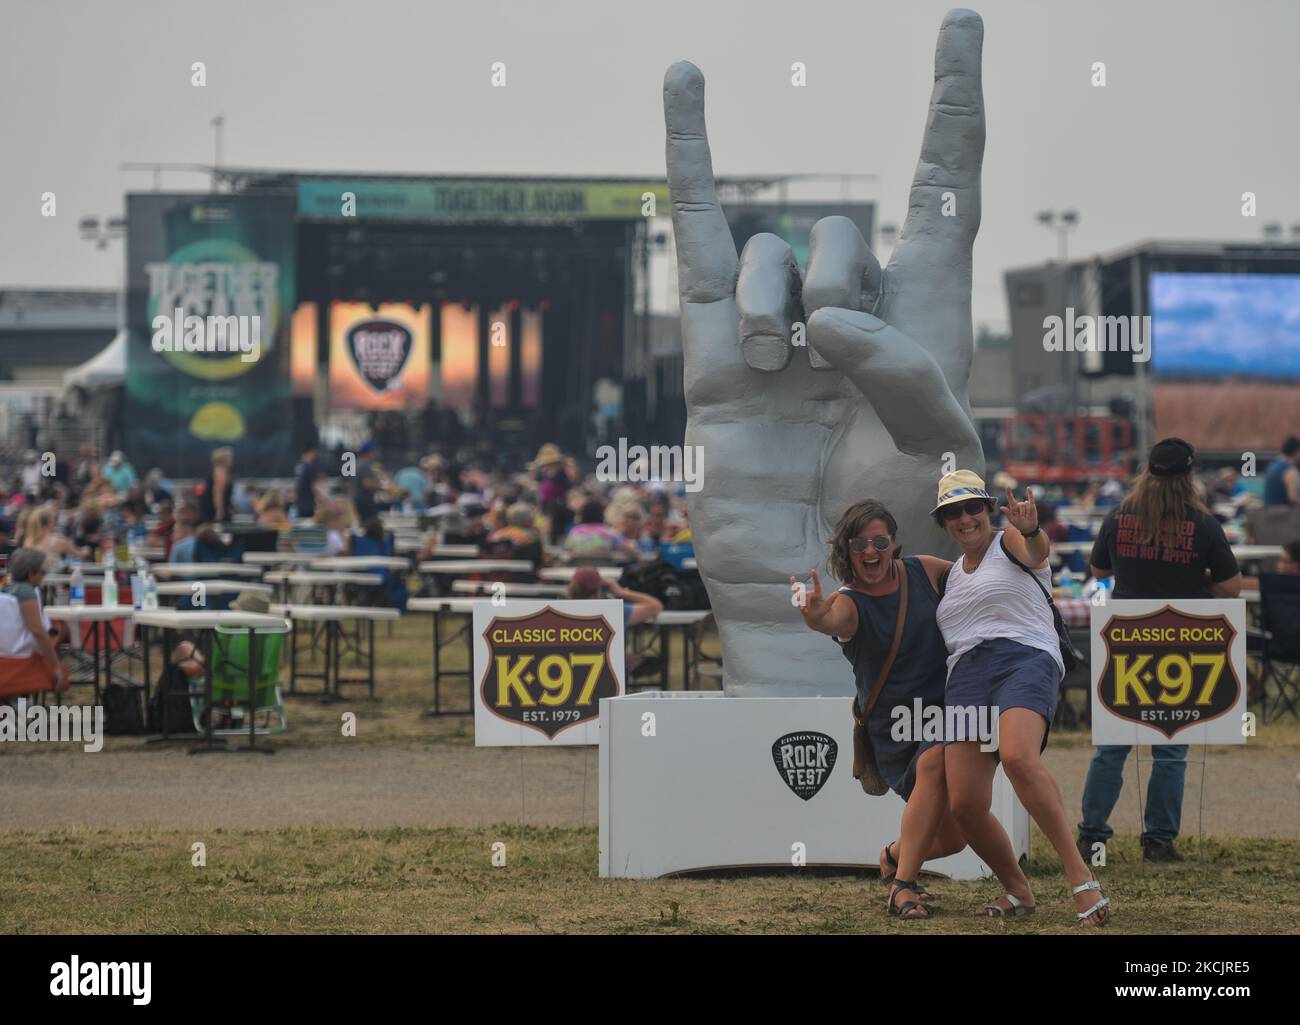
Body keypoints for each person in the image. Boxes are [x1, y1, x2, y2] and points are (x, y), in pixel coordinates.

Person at [932, 469, 1111, 925]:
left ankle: (1081, 879)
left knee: (1017, 757)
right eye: (954, 511)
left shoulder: (1009, 541)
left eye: (974, 506)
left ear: (989, 510)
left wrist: (1030, 527)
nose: (966, 517)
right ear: (944, 521)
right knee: (965, 805)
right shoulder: (951, 576)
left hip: (1024, 655)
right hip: (967, 673)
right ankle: (1017, 891)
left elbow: (1036, 549)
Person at [792, 498, 966, 920]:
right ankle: (903, 888)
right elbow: (832, 620)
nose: (870, 552)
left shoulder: (925, 570)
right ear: (847, 551)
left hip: (946, 710)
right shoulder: (849, 602)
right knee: (935, 760)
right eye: (859, 544)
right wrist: (815, 619)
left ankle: (891, 857)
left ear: (893, 544)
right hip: (897, 725)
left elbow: (974, 575)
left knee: (957, 837)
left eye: (879, 541)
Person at [1082, 438, 1243, 863]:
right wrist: (1198, 578)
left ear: (1147, 472)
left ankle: (1091, 836)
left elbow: (1098, 571)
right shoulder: (1203, 524)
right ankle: (1158, 842)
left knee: (1112, 747)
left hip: (1126, 640)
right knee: (1170, 749)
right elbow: (1231, 587)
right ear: (1189, 476)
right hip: (1181, 643)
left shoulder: (1118, 517)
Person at [0, 547, 67, 693]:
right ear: (31, 574)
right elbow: (37, 631)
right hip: (19, 657)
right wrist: (56, 666)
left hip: (3, 653)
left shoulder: (4, 587)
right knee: (58, 631)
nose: (44, 576)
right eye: (43, 572)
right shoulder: (27, 591)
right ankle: (24, 703)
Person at [564, 499, 640, 563]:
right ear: (602, 514)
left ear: (583, 514)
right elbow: (634, 552)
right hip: (605, 574)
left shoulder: (574, 532)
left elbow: (567, 550)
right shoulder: (610, 533)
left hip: (577, 572)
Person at [533, 443, 579, 545]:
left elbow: (569, 493)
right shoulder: (544, 475)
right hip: (544, 510)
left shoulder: (562, 475)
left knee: (555, 535)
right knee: (541, 529)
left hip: (558, 511)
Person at [197, 447, 234, 524]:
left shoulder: (217, 470)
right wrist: (220, 512)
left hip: (211, 508)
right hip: (213, 510)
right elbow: (218, 493)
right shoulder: (220, 472)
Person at [1262, 436, 1300, 507]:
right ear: (1296, 452)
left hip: (1268, 513)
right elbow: (1293, 497)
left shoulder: (1272, 465)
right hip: (1283, 515)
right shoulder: (1290, 470)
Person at [351, 441, 383, 522]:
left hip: (357, 501)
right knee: (369, 524)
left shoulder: (357, 463)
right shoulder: (365, 465)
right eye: (374, 451)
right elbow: (367, 484)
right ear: (369, 452)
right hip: (365, 502)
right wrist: (384, 489)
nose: (375, 453)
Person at [294, 444, 321, 521]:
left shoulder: (299, 466)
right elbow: (314, 487)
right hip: (309, 504)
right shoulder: (309, 467)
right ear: (310, 452)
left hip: (300, 503)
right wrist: (323, 499)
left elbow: (296, 485)